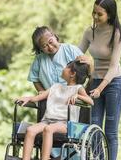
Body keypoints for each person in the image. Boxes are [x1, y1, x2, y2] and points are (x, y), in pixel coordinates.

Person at [77, 0, 121, 160]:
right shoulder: (89, 32)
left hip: (114, 84)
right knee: (94, 128)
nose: (95, 17)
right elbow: (77, 54)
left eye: (100, 14)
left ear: (110, 15)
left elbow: (113, 67)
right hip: (95, 82)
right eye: (94, 12)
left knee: (110, 132)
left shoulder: (117, 34)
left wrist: (99, 88)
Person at [18, 61, 94, 160]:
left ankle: (45, 158)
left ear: (72, 73)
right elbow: (39, 97)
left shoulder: (78, 88)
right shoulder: (55, 87)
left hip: (65, 124)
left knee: (48, 129)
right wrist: (28, 98)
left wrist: (78, 96)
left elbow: (91, 102)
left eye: (66, 67)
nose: (63, 68)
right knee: (30, 130)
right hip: (47, 121)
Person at [27, 26, 84, 159]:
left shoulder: (70, 50)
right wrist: (42, 93)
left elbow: (83, 71)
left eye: (51, 42)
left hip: (70, 103)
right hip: (51, 103)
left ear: (55, 36)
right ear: (40, 49)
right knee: (42, 129)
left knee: (53, 130)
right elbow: (34, 78)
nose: (50, 47)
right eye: (44, 46)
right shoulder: (39, 60)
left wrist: (78, 93)